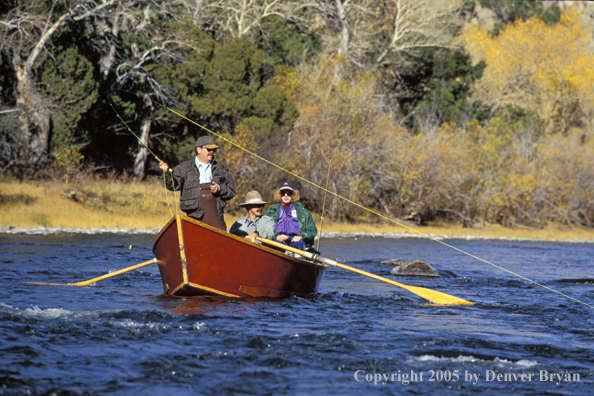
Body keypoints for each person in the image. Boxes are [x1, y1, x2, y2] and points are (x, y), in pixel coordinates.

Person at [159, 135, 236, 231]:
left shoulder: (221, 168)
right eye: (209, 149)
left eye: (214, 150)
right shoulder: (184, 168)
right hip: (194, 219)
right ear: (198, 150)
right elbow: (172, 186)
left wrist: (219, 189)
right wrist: (166, 172)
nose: (212, 152)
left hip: (217, 219)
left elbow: (232, 191)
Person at [264, 181, 317, 252]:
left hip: (297, 242)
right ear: (279, 195)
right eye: (283, 193)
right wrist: (276, 237)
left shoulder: (302, 211)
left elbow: (312, 230)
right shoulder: (271, 211)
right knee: (276, 247)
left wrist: (301, 236)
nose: (286, 195)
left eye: (289, 193)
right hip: (278, 241)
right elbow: (264, 229)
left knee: (299, 245)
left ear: (293, 195)